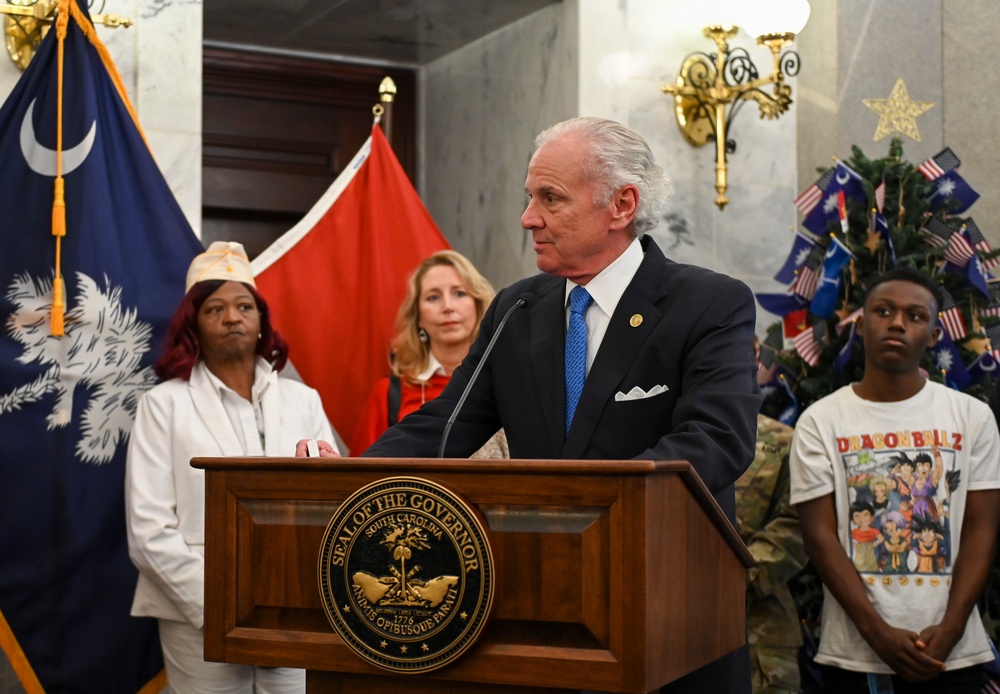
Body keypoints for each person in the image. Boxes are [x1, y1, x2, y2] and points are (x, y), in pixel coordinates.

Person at [302, 116, 762, 693]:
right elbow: (447, 423)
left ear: (621, 205)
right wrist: (350, 476)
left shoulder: (708, 303)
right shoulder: (516, 309)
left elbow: (716, 440)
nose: (529, 218)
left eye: (551, 198)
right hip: (547, 615)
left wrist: (588, 519)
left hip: (667, 614)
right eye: (529, 197)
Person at [126, 241, 336, 693]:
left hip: (294, 608)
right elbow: (149, 531)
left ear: (261, 320)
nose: (232, 317)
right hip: (198, 613)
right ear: (194, 326)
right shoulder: (162, 406)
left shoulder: (304, 401)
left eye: (244, 306)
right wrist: (223, 605)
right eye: (215, 309)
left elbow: (333, 503)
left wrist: (295, 597)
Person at [789, 266, 1000, 694]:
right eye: (883, 311)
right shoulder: (821, 421)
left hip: (952, 649)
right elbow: (819, 536)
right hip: (855, 653)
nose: (898, 323)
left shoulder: (971, 416)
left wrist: (954, 624)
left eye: (916, 315)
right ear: (861, 325)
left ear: (935, 335)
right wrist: (877, 632)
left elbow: (982, 527)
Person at [349, 249, 507, 457]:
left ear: (479, 307)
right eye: (433, 297)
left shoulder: (506, 386)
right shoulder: (388, 394)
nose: (448, 307)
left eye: (459, 293)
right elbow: (359, 477)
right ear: (418, 318)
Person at [736, 413, 807, 694]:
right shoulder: (649, 428)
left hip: (759, 633)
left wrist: (733, 578)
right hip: (661, 634)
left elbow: (798, 526)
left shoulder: (783, 441)